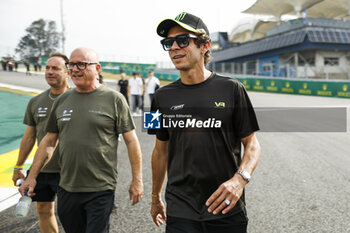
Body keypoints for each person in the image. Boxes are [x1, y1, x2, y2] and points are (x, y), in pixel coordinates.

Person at [148, 12, 261, 233]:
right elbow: (159, 150)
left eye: (182, 40)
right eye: (168, 42)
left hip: (226, 206)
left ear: (205, 45)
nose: (174, 47)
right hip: (180, 210)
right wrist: (154, 197)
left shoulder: (233, 89)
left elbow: (253, 144)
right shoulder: (160, 97)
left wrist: (240, 180)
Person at [20, 47, 144, 233]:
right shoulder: (63, 100)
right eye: (72, 64)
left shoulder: (114, 99)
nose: (75, 69)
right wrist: (32, 176)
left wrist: (137, 180)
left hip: (101, 188)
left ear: (97, 68)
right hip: (67, 188)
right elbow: (49, 141)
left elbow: (132, 141)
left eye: (82, 64)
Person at [12, 52, 70, 233]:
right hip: (43, 168)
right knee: (43, 210)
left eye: (55, 68)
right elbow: (29, 136)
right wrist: (18, 166)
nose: (50, 72)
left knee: (71, 215)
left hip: (71, 169)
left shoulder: (77, 98)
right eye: (47, 68)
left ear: (67, 72)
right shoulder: (36, 101)